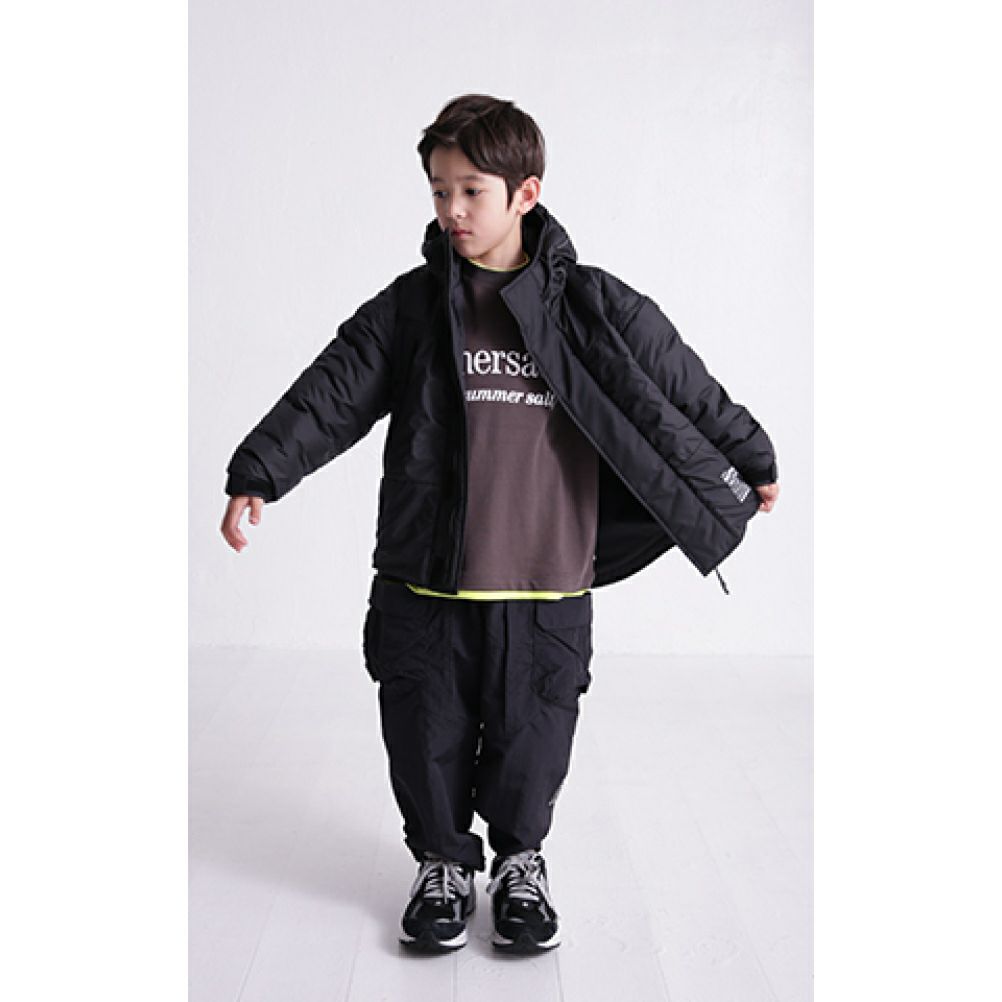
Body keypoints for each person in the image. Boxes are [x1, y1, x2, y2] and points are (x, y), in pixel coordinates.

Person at [220, 93, 780, 954]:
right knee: (424, 733)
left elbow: (682, 385)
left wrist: (750, 455)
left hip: (546, 580)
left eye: (471, 191)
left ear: (526, 193)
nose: (452, 210)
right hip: (427, 580)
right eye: (439, 191)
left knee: (534, 740)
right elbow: (333, 389)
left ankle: (521, 863)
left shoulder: (593, 307)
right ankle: (443, 865)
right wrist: (261, 469)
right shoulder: (413, 309)